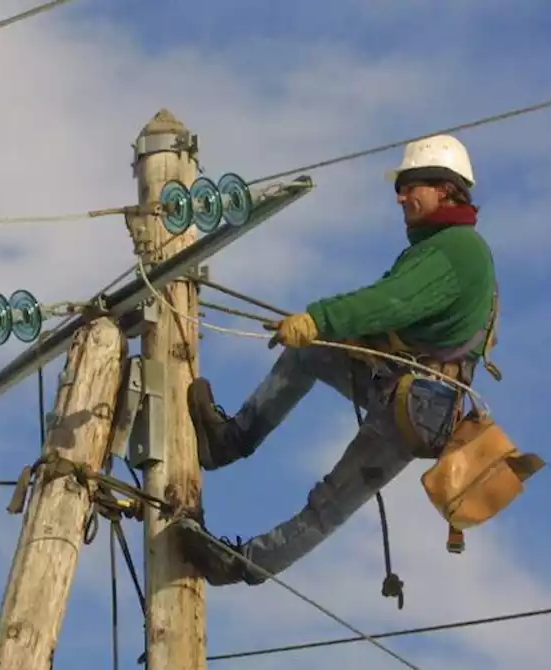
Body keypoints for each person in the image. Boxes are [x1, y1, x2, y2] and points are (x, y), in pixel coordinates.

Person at [176, 134, 499, 586]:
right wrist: (320, 328)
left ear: (445, 189)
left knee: (333, 498)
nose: (402, 197)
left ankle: (242, 562)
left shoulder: (457, 251)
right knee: (308, 352)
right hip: (407, 389)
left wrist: (320, 319)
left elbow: (390, 302)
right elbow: (387, 317)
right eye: (399, 189)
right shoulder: (435, 249)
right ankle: (227, 442)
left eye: (411, 187)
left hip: (420, 405)